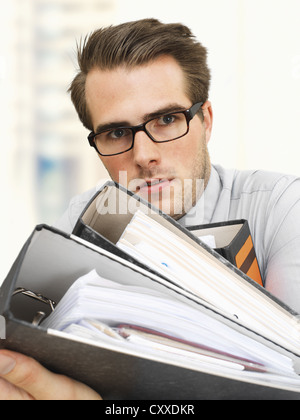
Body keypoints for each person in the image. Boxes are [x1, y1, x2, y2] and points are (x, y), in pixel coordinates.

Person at [1, 18, 300, 400]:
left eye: (166, 119)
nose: (144, 156)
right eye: (116, 133)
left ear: (205, 121)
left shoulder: (283, 205)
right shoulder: (82, 220)